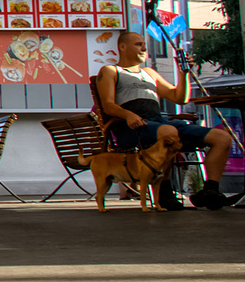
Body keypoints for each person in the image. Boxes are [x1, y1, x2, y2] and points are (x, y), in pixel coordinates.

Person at [95, 30, 229, 210]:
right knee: (169, 133)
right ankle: (165, 193)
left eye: (144, 45)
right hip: (131, 126)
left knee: (222, 138)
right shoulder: (111, 71)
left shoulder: (150, 72)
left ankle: (210, 191)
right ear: (122, 46)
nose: (143, 48)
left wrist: (183, 74)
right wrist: (128, 115)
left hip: (158, 122)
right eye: (138, 44)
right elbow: (108, 105)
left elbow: (179, 98)